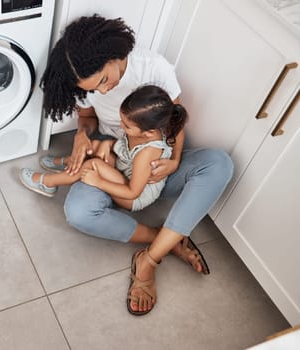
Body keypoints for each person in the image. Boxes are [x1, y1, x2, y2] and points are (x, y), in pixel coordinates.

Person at [38, 15, 234, 315]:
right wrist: (82, 134)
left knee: (219, 164)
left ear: (114, 57)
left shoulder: (153, 68)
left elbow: (177, 118)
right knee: (78, 213)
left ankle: (149, 260)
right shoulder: (91, 85)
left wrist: (175, 161)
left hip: (154, 164)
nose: (103, 91)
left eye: (104, 80)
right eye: (95, 88)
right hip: (116, 155)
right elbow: (89, 117)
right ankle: (166, 239)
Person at [20, 85, 187, 214]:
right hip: (125, 169)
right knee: (96, 147)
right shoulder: (143, 130)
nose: (121, 126)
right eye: (122, 120)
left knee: (94, 165)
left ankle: (49, 183)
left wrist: (98, 182)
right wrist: (108, 145)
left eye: (126, 126)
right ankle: (68, 163)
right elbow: (125, 150)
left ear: (149, 132)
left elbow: (132, 192)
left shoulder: (147, 153)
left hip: (133, 196)